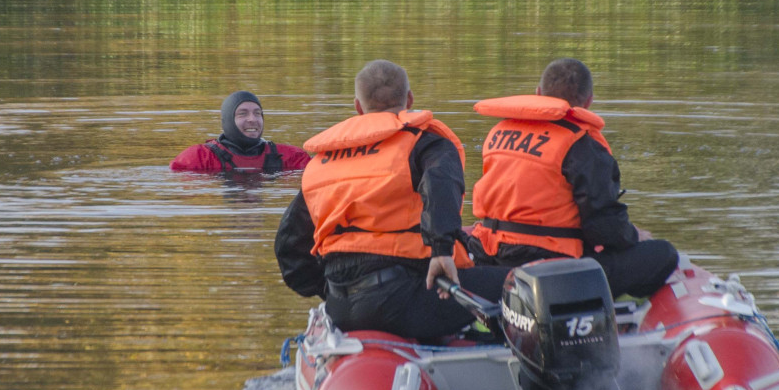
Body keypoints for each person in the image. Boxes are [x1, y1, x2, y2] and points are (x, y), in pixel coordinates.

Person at [274, 60, 509, 340]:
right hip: (402, 303)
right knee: (517, 282)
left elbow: (288, 248)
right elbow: (440, 187)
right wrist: (442, 251)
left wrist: (329, 290)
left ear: (358, 107)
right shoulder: (425, 144)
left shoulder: (323, 162)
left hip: (340, 306)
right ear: (409, 100)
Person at [467, 58, 678, 299]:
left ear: (538, 93)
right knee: (664, 254)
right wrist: (633, 235)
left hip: (489, 254)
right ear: (588, 102)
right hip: (549, 267)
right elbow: (604, 229)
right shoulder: (582, 146)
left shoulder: (499, 132)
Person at [170, 90, 311, 173]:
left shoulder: (291, 157)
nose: (252, 119)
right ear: (228, 121)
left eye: (257, 113)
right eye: (242, 114)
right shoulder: (199, 158)